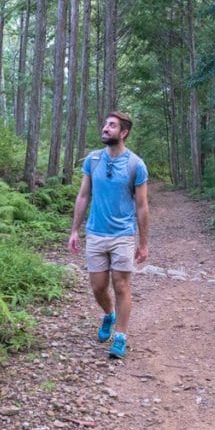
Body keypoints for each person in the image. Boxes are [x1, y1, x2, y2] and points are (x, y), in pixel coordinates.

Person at [68, 111, 150, 359]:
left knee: (122, 285)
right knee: (98, 287)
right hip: (95, 234)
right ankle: (108, 314)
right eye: (105, 124)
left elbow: (142, 205)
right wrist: (74, 230)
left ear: (123, 132)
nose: (105, 128)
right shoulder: (93, 160)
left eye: (112, 126)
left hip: (123, 234)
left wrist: (143, 242)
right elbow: (83, 196)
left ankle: (121, 336)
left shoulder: (136, 164)